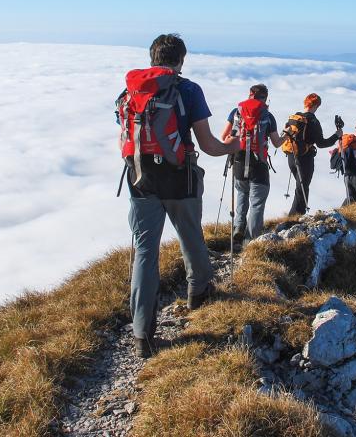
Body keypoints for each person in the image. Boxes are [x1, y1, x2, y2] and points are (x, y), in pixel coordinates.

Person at [117, 33, 240, 358]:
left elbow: (125, 141)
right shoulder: (188, 90)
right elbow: (210, 145)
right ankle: (197, 293)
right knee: (190, 236)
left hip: (140, 180)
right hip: (180, 180)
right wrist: (235, 146)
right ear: (181, 60)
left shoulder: (130, 92)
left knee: (145, 252)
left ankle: (143, 334)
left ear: (152, 58)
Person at [219, 84, 284, 242]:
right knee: (257, 203)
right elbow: (276, 142)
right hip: (259, 164)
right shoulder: (268, 116)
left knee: (242, 193)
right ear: (265, 97)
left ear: (250, 94)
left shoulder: (236, 112)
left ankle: (238, 227)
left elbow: (224, 137)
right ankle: (251, 240)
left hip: (239, 162)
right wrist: (287, 135)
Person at [281, 93, 341, 215]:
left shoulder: (295, 117)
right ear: (317, 105)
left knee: (300, 187)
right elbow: (321, 143)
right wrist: (336, 136)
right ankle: (296, 216)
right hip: (305, 158)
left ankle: (294, 215)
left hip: (291, 156)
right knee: (303, 187)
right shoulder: (313, 121)